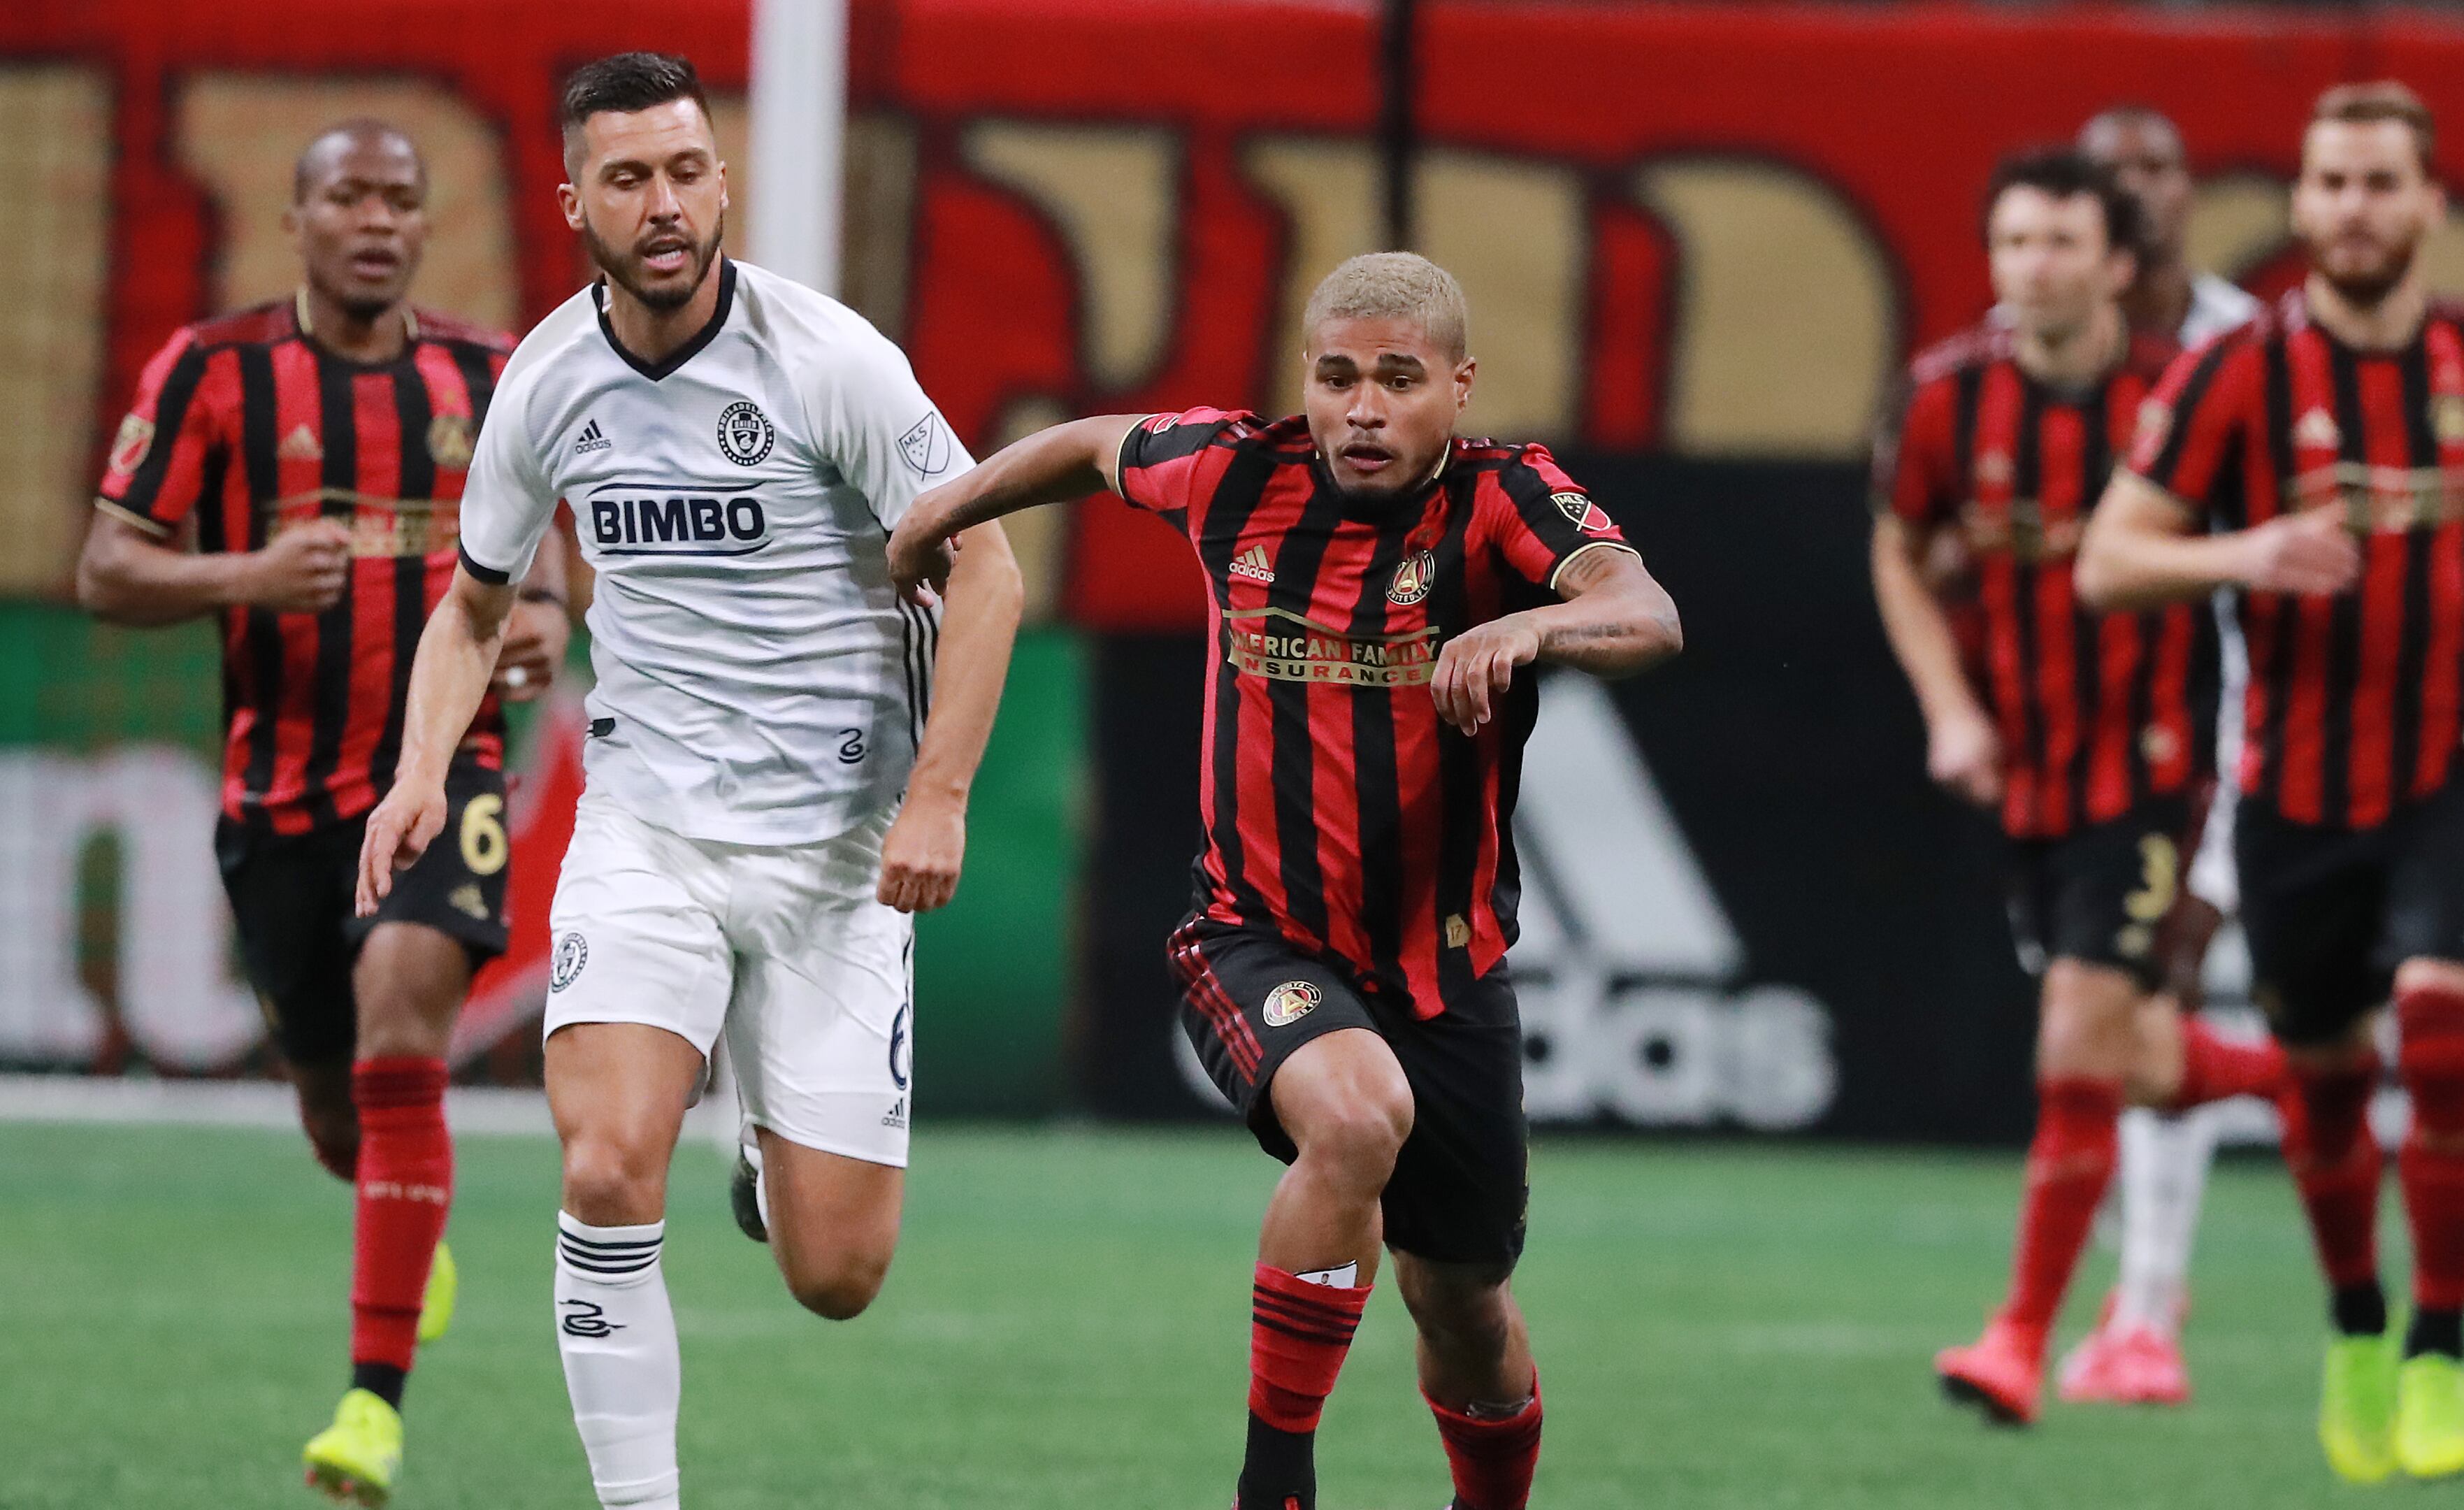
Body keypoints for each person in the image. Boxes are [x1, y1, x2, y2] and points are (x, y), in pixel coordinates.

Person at [881, 251, 1683, 1510]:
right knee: (1356, 1118)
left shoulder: (1503, 499)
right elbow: (1091, 443)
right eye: (1338, 376)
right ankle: (1274, 1490)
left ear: (1457, 390)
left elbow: (1647, 613)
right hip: (1255, 936)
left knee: (1462, 1307)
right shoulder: (1233, 470)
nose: (1364, 408)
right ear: (1304, 382)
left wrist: (1529, 623)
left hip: (1447, 969)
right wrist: (944, 511)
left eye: (1400, 381)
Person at [354, 53, 1022, 1510]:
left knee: (835, 1276)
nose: (665, 205)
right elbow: (472, 604)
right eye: (630, 178)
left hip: (839, 854)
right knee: (602, 1169)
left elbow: (989, 564)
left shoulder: (828, 360)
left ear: (721, 179)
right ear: (575, 199)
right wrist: (418, 772)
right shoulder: (545, 382)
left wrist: (943, 795)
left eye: (687, 171)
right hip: (646, 829)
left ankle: (763, 1134)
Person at [2080, 82, 2464, 1483]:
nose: (2352, 208)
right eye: (2330, 183)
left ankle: (2442, 1348)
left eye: (2379, 183)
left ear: (2428, 205)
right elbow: (2110, 558)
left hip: (2454, 772)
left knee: (2445, 1037)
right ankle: (2355, 1324)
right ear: (2301, 205)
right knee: (2329, 1086)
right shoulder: (2236, 379)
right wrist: (2242, 555)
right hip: (2290, 798)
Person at [74, 118, 572, 1504]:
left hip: (439, 771)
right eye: (347, 197)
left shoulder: (490, 378)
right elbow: (109, 566)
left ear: (425, 226)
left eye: (400, 201)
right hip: (278, 800)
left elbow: (563, 549)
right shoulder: (214, 372)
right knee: (338, 1116)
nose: (377, 222)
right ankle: (403, 1229)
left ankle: (370, 1409)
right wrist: (243, 577)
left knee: (408, 1021)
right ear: (295, 221)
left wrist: (540, 616)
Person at [1871, 148, 2289, 1429]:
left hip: (2166, 771)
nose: (2030, 269)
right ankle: (2308, 1073)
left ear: (2118, 265)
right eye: (2011, 244)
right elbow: (1897, 544)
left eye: (2058, 243)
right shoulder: (1948, 399)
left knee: (2073, 1051)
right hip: (2035, 778)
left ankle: (2020, 1339)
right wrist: (1950, 708)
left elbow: (2274, 560)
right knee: (2131, 1056)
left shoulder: (2186, 398)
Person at [2058, 103, 2267, 1409]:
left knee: (2149, 999)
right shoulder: (2037, 349)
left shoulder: (2249, 348)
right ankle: (2139, 1287)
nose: (2135, 191)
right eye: (2108, 173)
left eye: (2155, 167)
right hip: (2069, 737)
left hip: (2206, 729)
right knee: (2097, 1020)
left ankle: (2142, 1307)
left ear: (2189, 190)